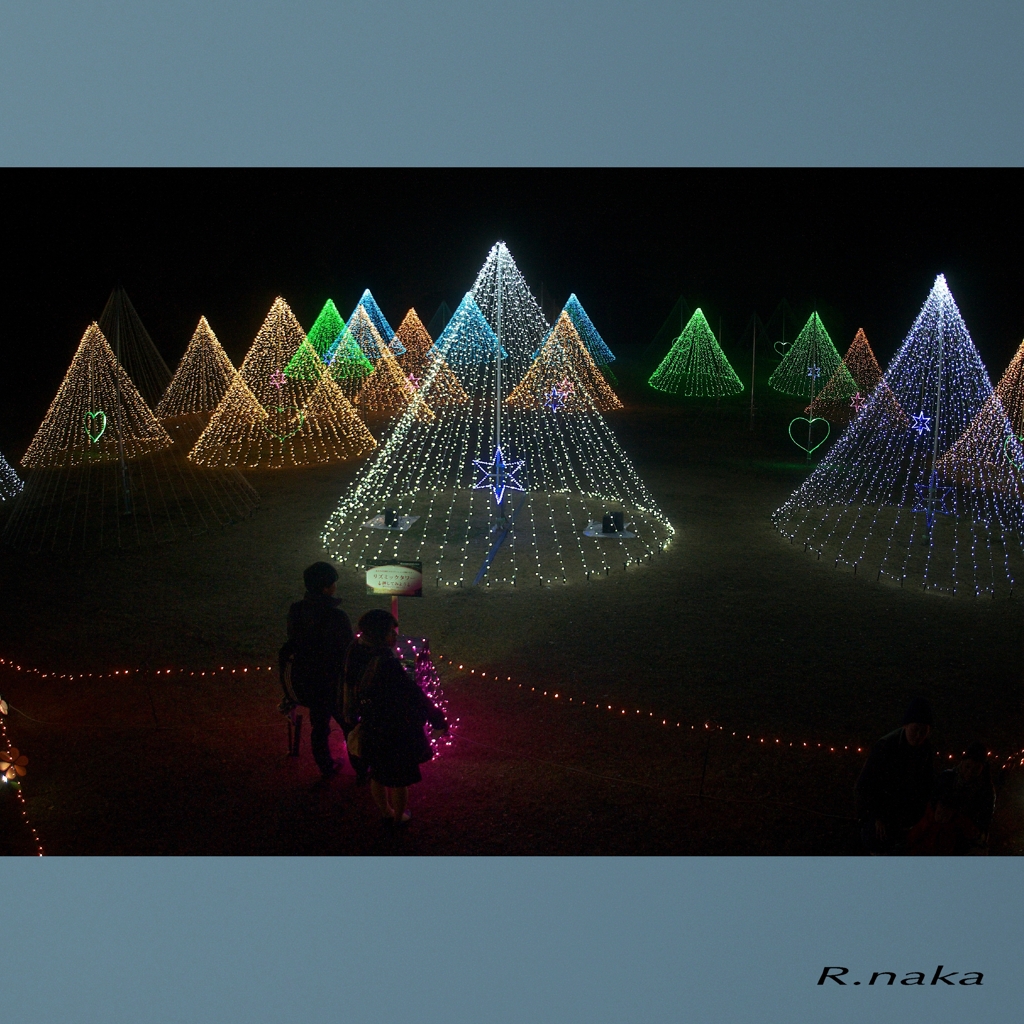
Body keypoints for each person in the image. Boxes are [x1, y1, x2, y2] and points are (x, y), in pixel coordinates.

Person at [343, 608, 447, 824]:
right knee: (399, 780)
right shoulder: (385, 663)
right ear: (380, 634)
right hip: (395, 730)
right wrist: (437, 718)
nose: (396, 636)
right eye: (391, 631)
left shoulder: (355, 651)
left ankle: (385, 812)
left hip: (370, 726)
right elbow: (413, 692)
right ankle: (399, 817)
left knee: (378, 774)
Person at [281, 561, 356, 780]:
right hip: (332, 679)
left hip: (307, 677)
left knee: (319, 724)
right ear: (326, 587)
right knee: (348, 723)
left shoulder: (296, 610)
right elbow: (346, 650)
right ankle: (361, 768)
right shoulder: (337, 616)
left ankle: (325, 766)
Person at [855, 697, 936, 854]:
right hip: (880, 815)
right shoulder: (885, 746)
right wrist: (874, 816)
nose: (919, 735)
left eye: (924, 731)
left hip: (907, 818)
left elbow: (927, 783)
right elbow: (865, 785)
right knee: (878, 846)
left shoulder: (926, 750)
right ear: (906, 725)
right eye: (915, 729)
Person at [907, 741, 996, 854]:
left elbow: (984, 819)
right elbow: (932, 800)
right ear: (962, 762)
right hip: (935, 830)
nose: (969, 772)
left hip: (964, 838)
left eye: (976, 769)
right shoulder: (947, 777)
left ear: (982, 768)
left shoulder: (986, 789)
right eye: (967, 766)